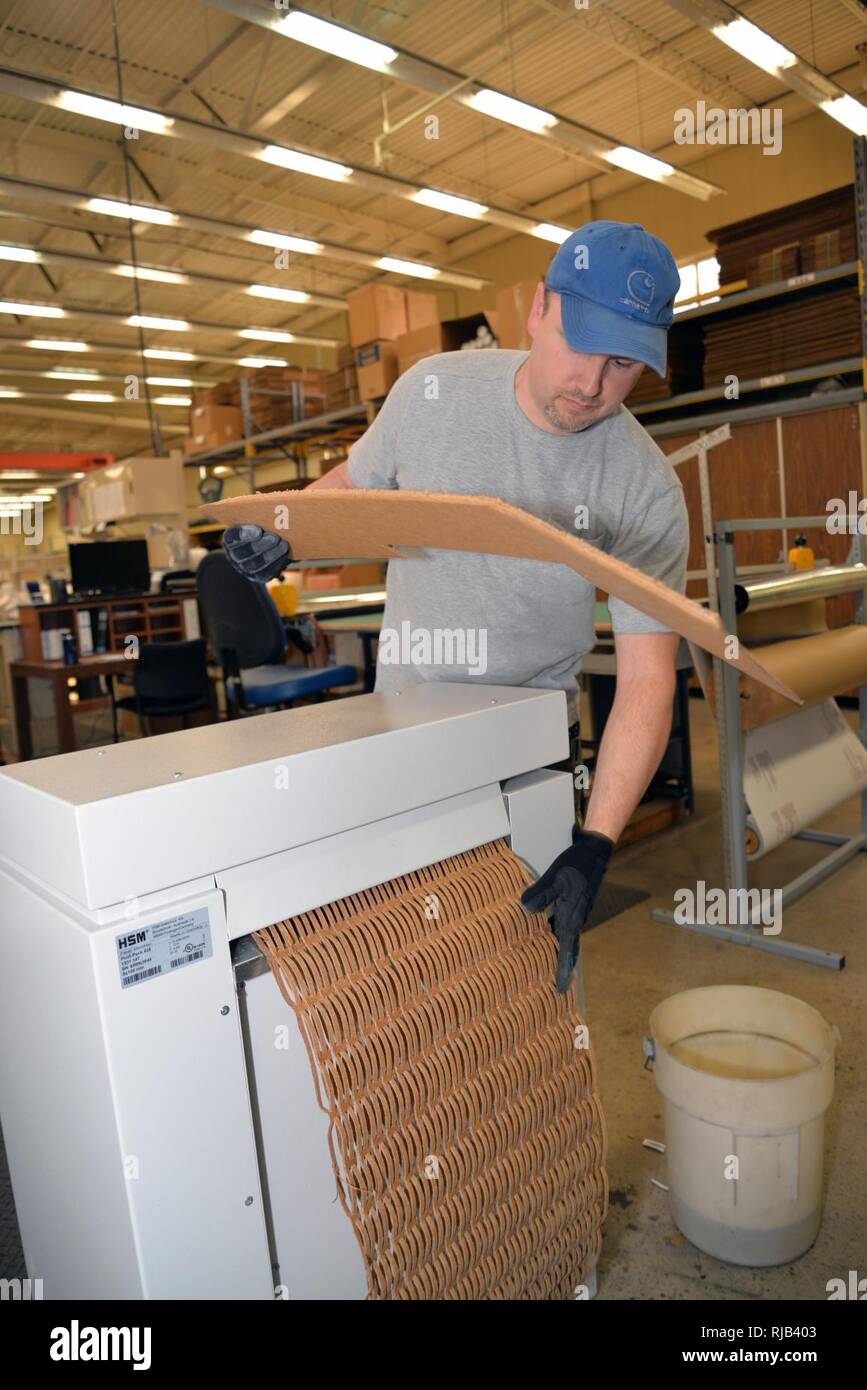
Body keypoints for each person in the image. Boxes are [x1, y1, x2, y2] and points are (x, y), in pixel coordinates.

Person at [224, 220, 689, 993]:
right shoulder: (433, 392)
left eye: (622, 365)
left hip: (527, 749)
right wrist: (287, 526)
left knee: (514, 977)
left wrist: (597, 841)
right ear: (538, 308)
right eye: (581, 345)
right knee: (400, 963)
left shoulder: (642, 488)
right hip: (403, 725)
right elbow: (356, 483)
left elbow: (646, 676)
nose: (591, 385)